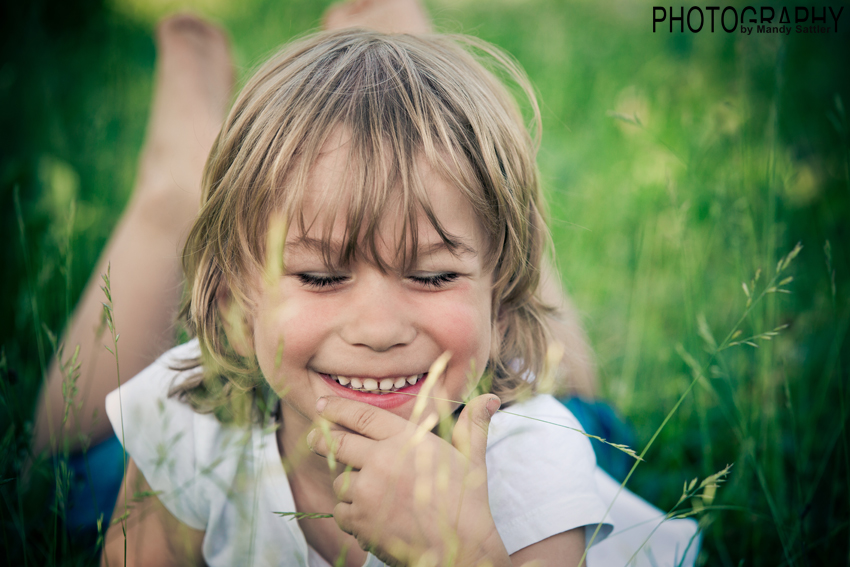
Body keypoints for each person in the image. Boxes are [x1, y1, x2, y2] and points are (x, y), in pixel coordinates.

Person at [35, 2, 698, 566]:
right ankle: (177, 186)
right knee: (61, 469)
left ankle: (418, 81)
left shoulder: (534, 457)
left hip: (507, 402)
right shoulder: (186, 428)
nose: (378, 329)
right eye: (322, 275)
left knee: (571, 398)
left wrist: (467, 551)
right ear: (236, 289)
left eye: (433, 274)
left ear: (499, 288)